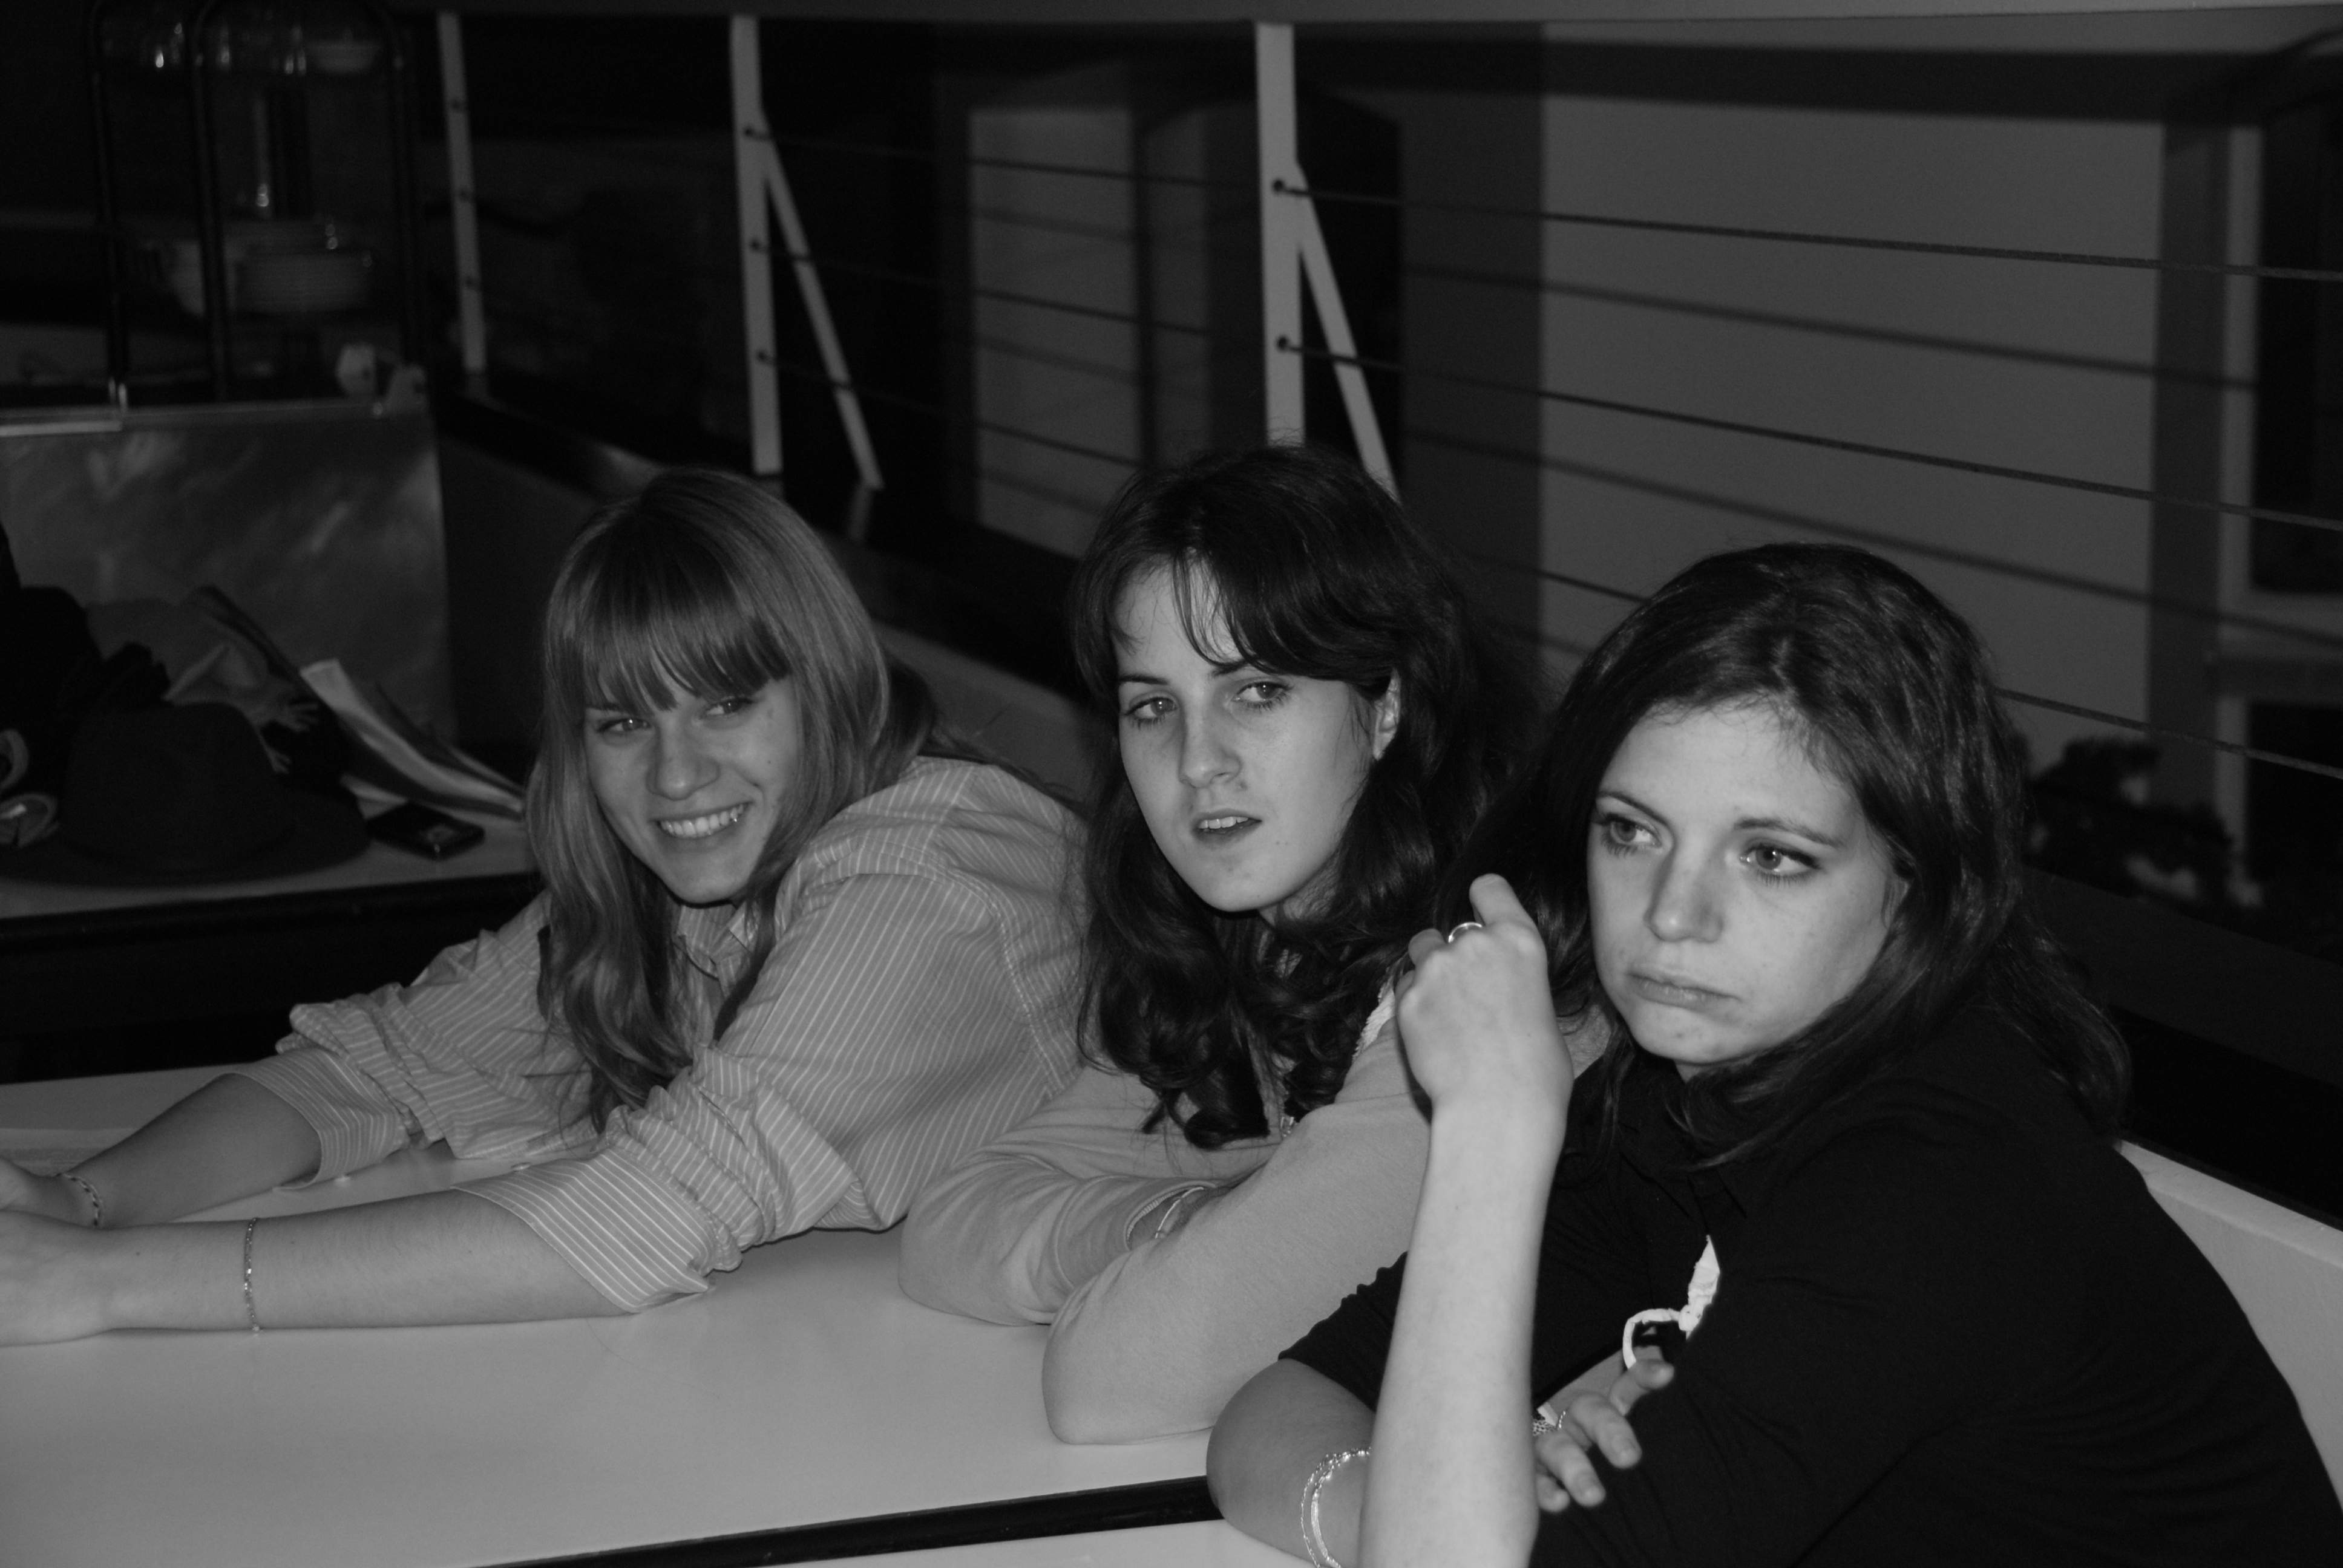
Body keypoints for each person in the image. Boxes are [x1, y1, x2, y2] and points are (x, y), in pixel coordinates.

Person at [1209, 543, 2343, 1566]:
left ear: (1915, 888)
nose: (1672, 915)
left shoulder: (1935, 1184)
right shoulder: (1672, 1107)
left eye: (1772, 857)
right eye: (1632, 832)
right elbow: (1281, 1406)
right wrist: (1406, 1510)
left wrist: (1492, 1129)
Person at [0, 469, 1083, 1341]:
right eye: (623, 723)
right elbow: (381, 1062)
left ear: (831, 685)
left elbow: (646, 1214)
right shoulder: (675, 875)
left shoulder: (928, 883)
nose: (675, 777)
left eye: (726, 703)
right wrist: (80, 1204)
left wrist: (105, 1286)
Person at [900, 443, 1590, 1442]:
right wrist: (1183, 1220)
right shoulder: (1262, 946)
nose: (1198, 761)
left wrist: (1225, 1239)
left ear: (1386, 705)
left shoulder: (1488, 974)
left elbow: (1117, 1377)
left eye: (1258, 690)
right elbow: (954, 1224)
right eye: (1153, 706)